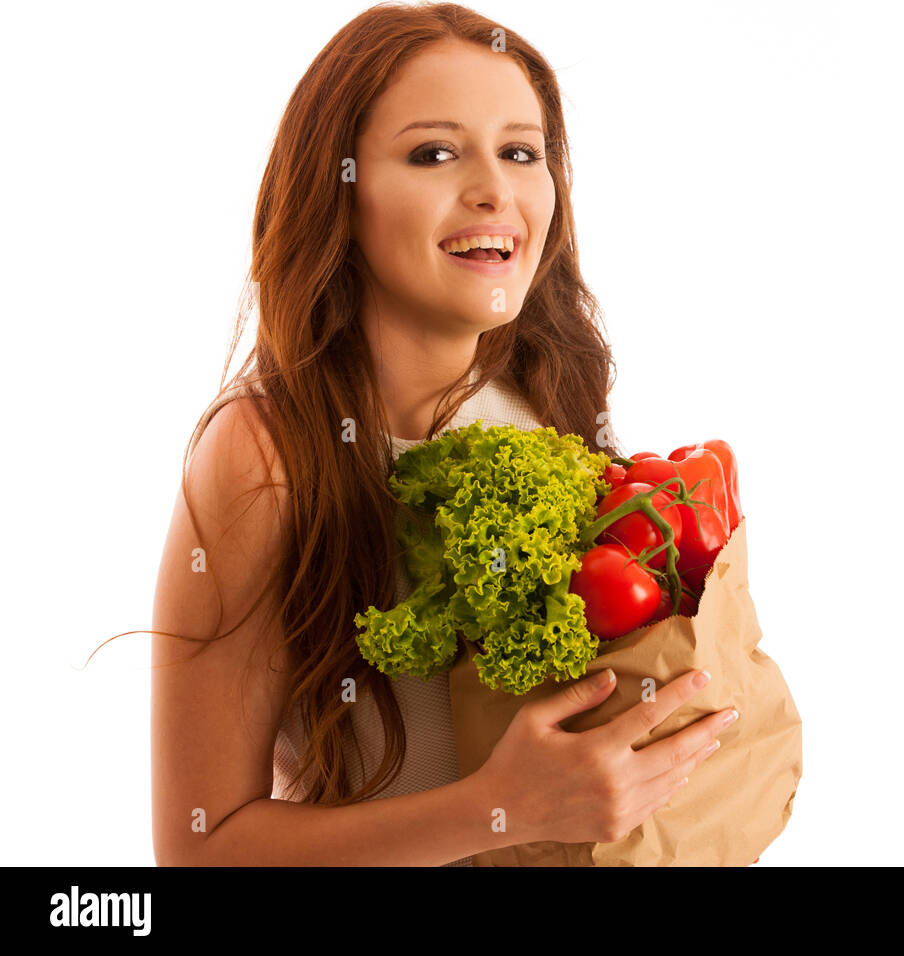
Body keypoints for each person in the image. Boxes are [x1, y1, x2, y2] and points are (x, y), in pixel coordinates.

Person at [149, 2, 735, 867]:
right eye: (434, 152)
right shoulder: (267, 452)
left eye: (521, 152)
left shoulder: (545, 387)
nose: (496, 189)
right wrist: (497, 809)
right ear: (340, 192)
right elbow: (197, 853)